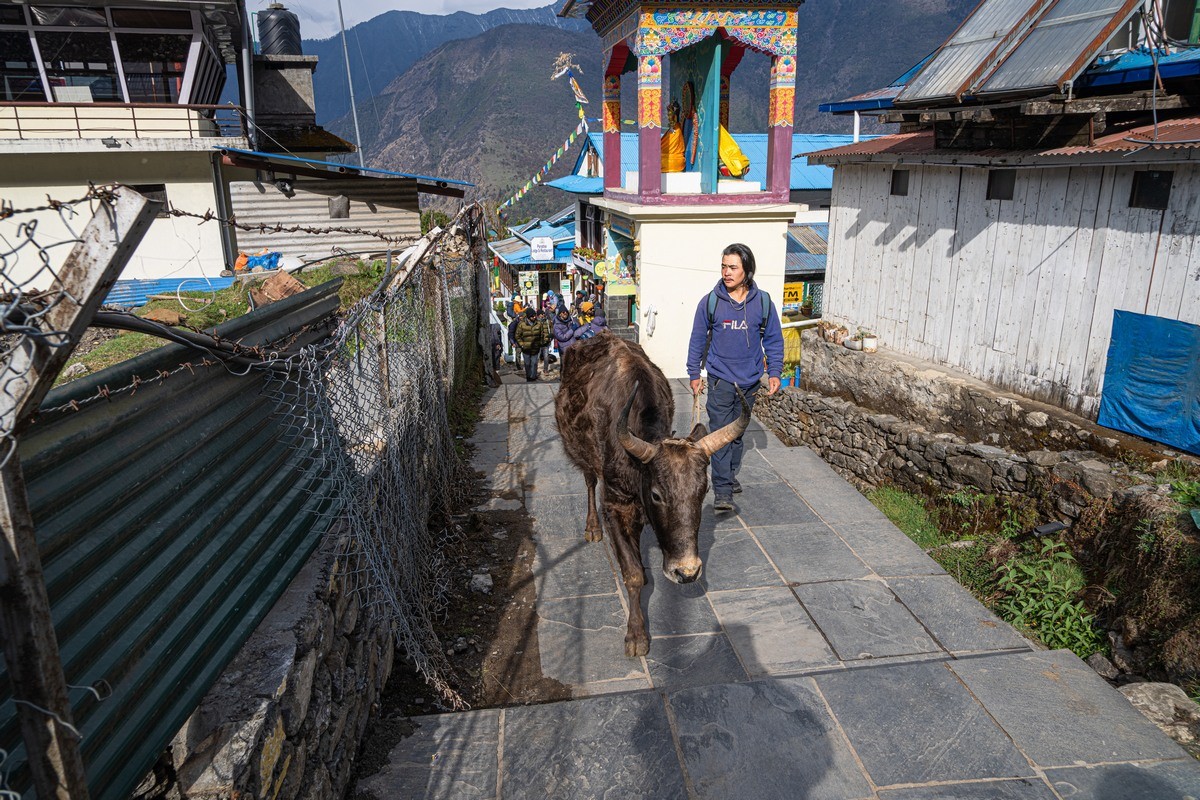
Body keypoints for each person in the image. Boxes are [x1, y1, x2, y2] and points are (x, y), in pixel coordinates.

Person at [686, 243, 783, 511]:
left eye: (733, 267)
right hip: (720, 379)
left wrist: (774, 371)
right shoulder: (711, 302)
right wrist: (694, 373)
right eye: (724, 266)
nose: (726, 272)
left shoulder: (763, 302)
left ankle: (728, 475)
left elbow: (774, 339)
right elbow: (697, 339)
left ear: (747, 270)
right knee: (720, 433)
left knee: (738, 433)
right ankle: (723, 490)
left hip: (750, 380)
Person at [514, 306, 549, 381]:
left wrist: (541, 342)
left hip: (535, 348)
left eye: (534, 315)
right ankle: (528, 376)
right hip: (526, 348)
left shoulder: (539, 324)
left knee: (534, 363)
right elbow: (517, 336)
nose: (534, 317)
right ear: (528, 316)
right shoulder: (521, 324)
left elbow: (542, 334)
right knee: (527, 364)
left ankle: (533, 377)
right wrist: (522, 344)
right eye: (532, 316)